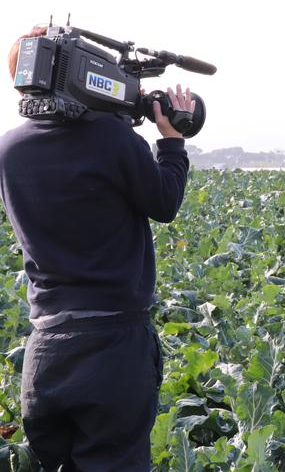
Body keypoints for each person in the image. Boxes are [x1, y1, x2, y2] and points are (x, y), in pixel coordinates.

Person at [0, 27, 193, 470]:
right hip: (112, 344)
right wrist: (172, 141)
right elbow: (164, 202)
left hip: (45, 348)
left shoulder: (8, 149)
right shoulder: (112, 139)